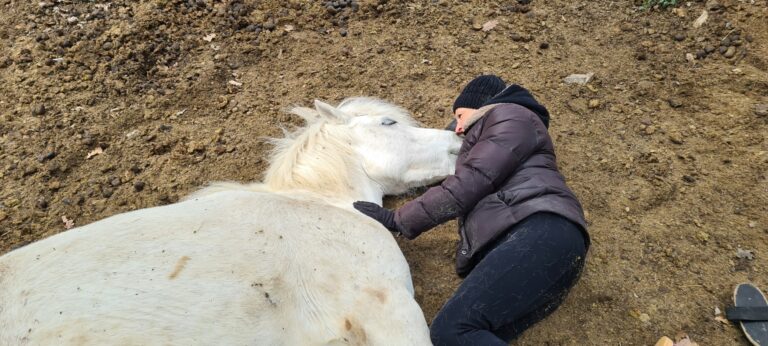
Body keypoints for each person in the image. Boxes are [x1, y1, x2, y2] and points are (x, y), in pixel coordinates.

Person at [353, 74, 590, 345]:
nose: (457, 127)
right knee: (470, 335)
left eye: (460, 116)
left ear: (480, 105)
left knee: (453, 331)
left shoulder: (511, 116)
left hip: (542, 229)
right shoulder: (504, 131)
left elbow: (470, 181)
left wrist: (399, 219)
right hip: (542, 243)